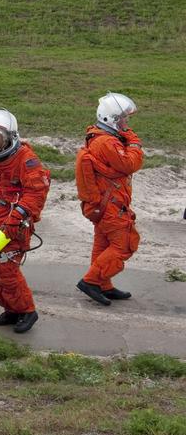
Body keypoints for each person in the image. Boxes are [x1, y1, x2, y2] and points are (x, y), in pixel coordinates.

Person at [0, 109, 50, 334]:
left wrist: (15, 220)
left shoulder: (26, 159)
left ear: (9, 135)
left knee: (8, 271)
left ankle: (27, 311)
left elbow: (36, 193)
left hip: (12, 229)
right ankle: (11, 308)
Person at [76, 93, 143, 306]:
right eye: (124, 119)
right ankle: (91, 281)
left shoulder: (101, 138)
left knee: (103, 244)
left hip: (105, 204)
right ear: (111, 119)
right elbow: (129, 164)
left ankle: (103, 284)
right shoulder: (106, 142)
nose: (126, 123)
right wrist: (133, 143)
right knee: (124, 245)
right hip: (111, 205)